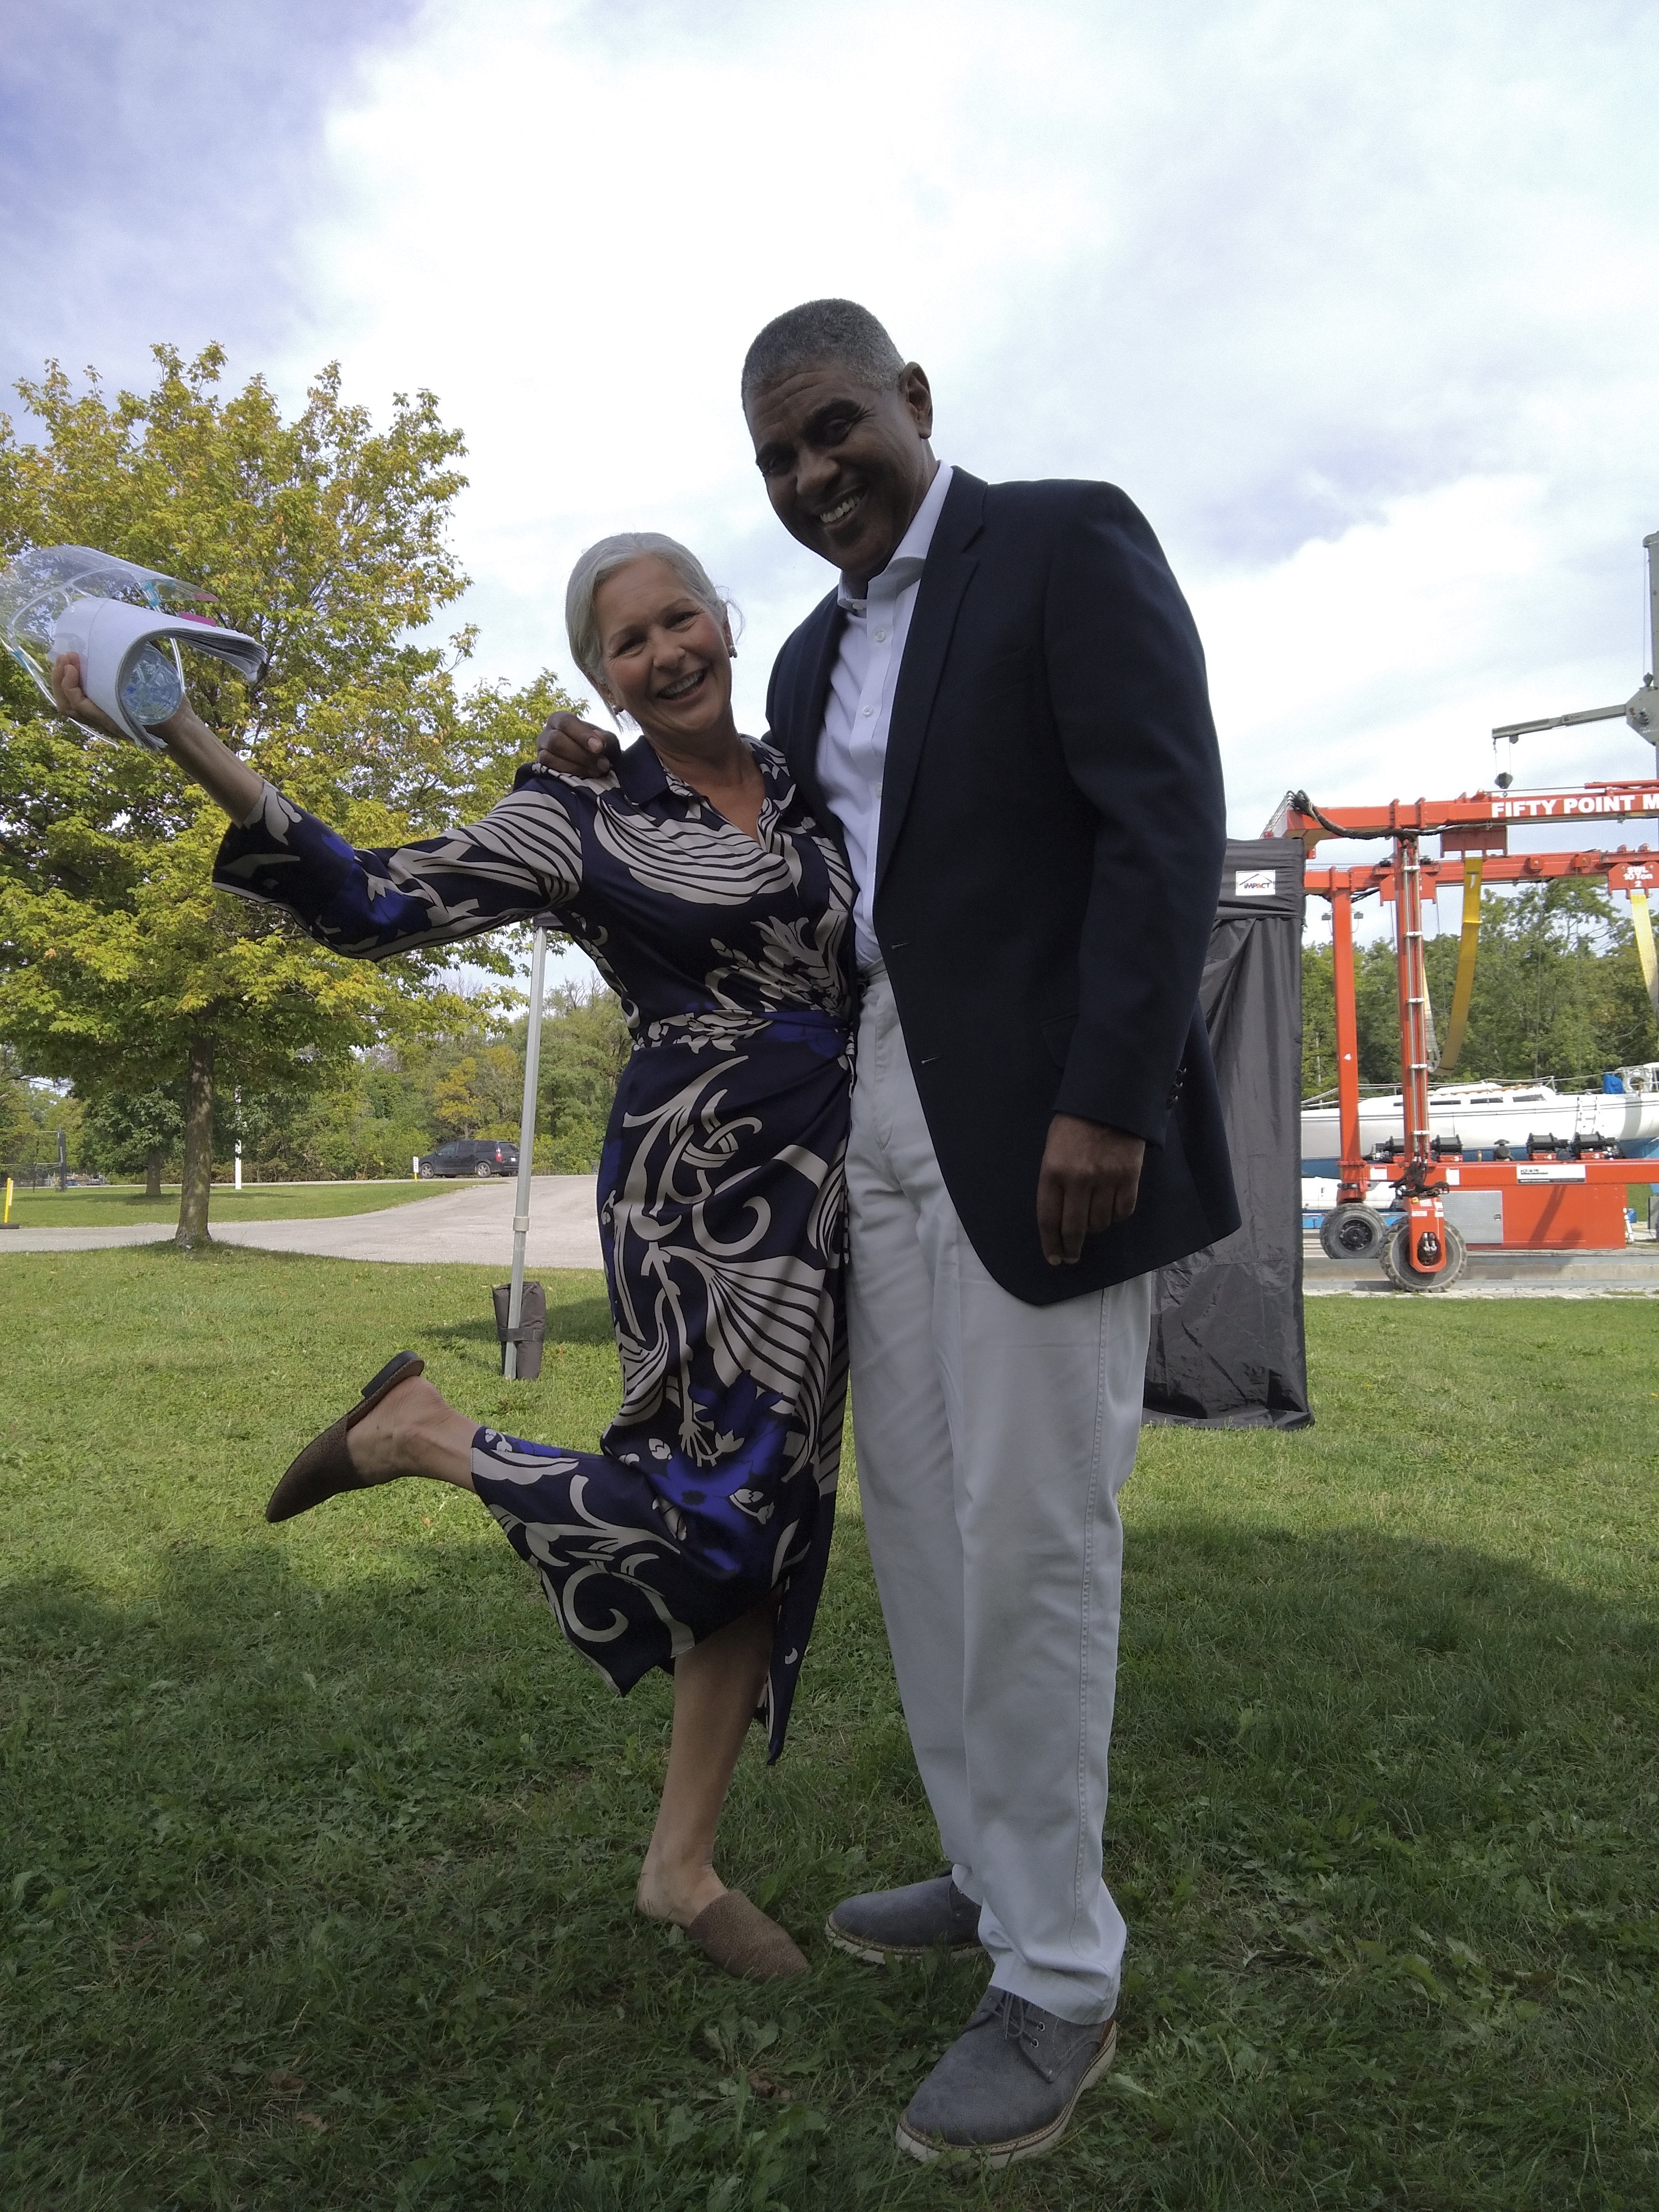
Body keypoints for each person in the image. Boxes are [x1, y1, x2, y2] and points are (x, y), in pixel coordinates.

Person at [540, 299, 1238, 2166]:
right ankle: (988, 1869)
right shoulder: (809, 660)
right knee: (924, 1524)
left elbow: (1164, 828)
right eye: (775, 458)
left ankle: (1061, 1983)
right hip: (873, 1125)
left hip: (1043, 1132)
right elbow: (771, 873)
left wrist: (1111, 1096)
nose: (810, 472)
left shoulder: (1067, 541)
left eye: (834, 426)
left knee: (1033, 1534)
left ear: (912, 403)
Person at [50, 530, 859, 1983]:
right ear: (596, 675)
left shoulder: (813, 787)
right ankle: (418, 1435)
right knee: (721, 1519)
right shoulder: (578, 812)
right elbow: (371, 901)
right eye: (628, 643)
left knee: (775, 1527)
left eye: (681, 617)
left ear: (723, 621)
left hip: (831, 1190)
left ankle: (680, 1868)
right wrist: (171, 716)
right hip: (701, 1197)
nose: (666, 653)